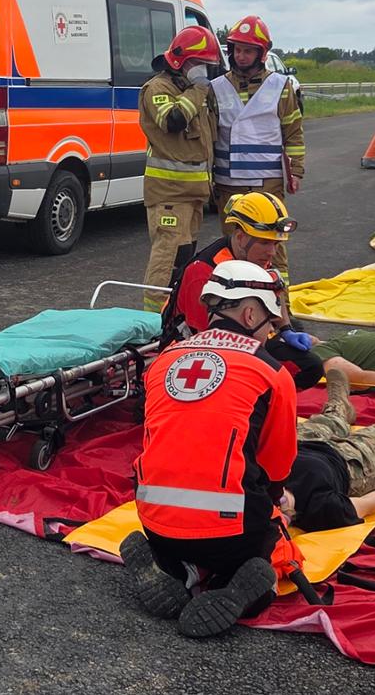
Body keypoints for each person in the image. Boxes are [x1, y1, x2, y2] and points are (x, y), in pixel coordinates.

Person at [119, 260, 296, 638]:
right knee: (273, 547)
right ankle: (239, 589)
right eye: (270, 324)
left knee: (189, 535)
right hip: (230, 534)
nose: (270, 333)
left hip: (156, 521)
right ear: (250, 312)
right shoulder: (270, 372)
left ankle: (175, 569)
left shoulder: (163, 361)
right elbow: (276, 464)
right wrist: (276, 505)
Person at [280, 368, 375, 533]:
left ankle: (339, 407)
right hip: (350, 465)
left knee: (324, 422)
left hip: (304, 444)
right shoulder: (321, 510)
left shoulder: (261, 480)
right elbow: (365, 505)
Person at [138, 26, 222, 312]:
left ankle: (174, 311)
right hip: (169, 195)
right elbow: (173, 120)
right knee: (167, 255)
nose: (203, 71)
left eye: (207, 66)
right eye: (199, 65)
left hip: (194, 193)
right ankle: (151, 318)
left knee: (185, 256)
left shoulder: (192, 93)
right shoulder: (158, 88)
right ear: (180, 60)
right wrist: (198, 90)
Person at [210, 16, 304, 271]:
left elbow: (293, 132)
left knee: (271, 245)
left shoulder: (280, 86)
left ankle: (278, 302)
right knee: (234, 245)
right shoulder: (215, 88)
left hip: (267, 181)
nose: (240, 56)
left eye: (247, 51)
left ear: (261, 53)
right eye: (237, 50)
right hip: (228, 182)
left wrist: (295, 172)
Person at [166, 190, 294, 337]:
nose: (272, 252)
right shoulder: (204, 273)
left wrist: (286, 329)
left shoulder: (255, 258)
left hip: (245, 332)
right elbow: (205, 338)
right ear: (240, 237)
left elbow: (274, 285)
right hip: (199, 344)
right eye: (265, 243)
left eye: (276, 244)